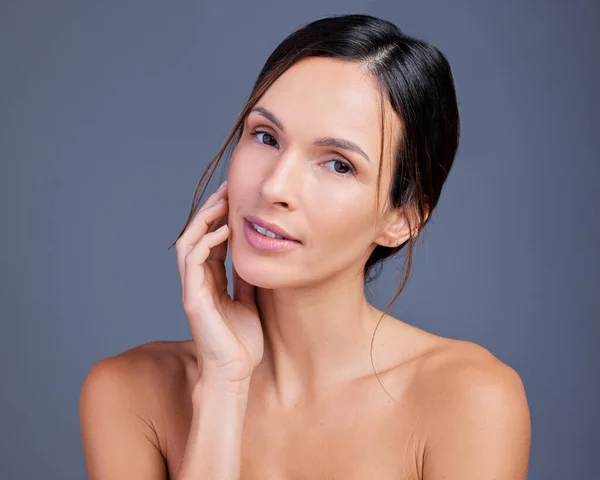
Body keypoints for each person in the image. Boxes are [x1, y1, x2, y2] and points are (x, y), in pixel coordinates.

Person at [79, 13, 531, 479]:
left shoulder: (467, 398)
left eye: (338, 165)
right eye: (266, 136)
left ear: (402, 219)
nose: (275, 186)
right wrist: (223, 388)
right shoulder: (128, 392)